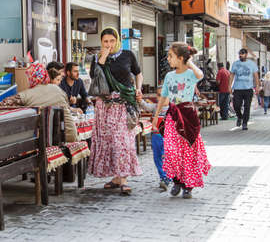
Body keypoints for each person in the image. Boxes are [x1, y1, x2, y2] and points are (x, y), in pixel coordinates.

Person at [88, 27, 143, 196]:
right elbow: (94, 76)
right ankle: (116, 178)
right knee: (108, 141)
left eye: (112, 41)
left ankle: (124, 179)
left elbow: (138, 73)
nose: (109, 44)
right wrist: (103, 58)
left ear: (117, 40)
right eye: (105, 41)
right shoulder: (97, 58)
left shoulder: (128, 55)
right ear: (101, 42)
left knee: (123, 141)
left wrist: (138, 89)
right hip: (105, 106)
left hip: (123, 105)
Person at [152, 42, 210, 199]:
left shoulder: (191, 75)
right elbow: (164, 96)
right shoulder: (169, 76)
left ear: (180, 58)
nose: (168, 59)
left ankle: (188, 186)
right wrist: (156, 116)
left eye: (171, 56)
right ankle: (177, 180)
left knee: (188, 151)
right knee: (171, 150)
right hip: (172, 115)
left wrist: (189, 62)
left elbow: (200, 75)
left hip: (188, 116)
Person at [1, 63, 78, 142]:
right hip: (70, 137)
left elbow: (5, 104)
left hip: (48, 142)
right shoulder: (58, 89)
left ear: (31, 78)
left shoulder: (26, 94)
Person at [139, 87, 170, 191]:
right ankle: (163, 176)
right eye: (158, 95)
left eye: (163, 95)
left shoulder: (172, 109)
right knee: (157, 158)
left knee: (166, 157)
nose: (160, 97)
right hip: (156, 137)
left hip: (167, 138)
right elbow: (145, 106)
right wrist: (139, 99)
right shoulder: (155, 107)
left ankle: (167, 177)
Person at [228, 48, 260, 130]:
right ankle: (239, 117)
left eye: (242, 54)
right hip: (237, 89)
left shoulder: (252, 64)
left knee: (247, 106)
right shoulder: (235, 64)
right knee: (236, 105)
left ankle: (245, 123)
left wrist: (257, 86)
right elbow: (232, 75)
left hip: (248, 89)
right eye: (239, 54)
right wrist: (229, 86)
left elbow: (256, 76)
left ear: (246, 55)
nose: (240, 55)